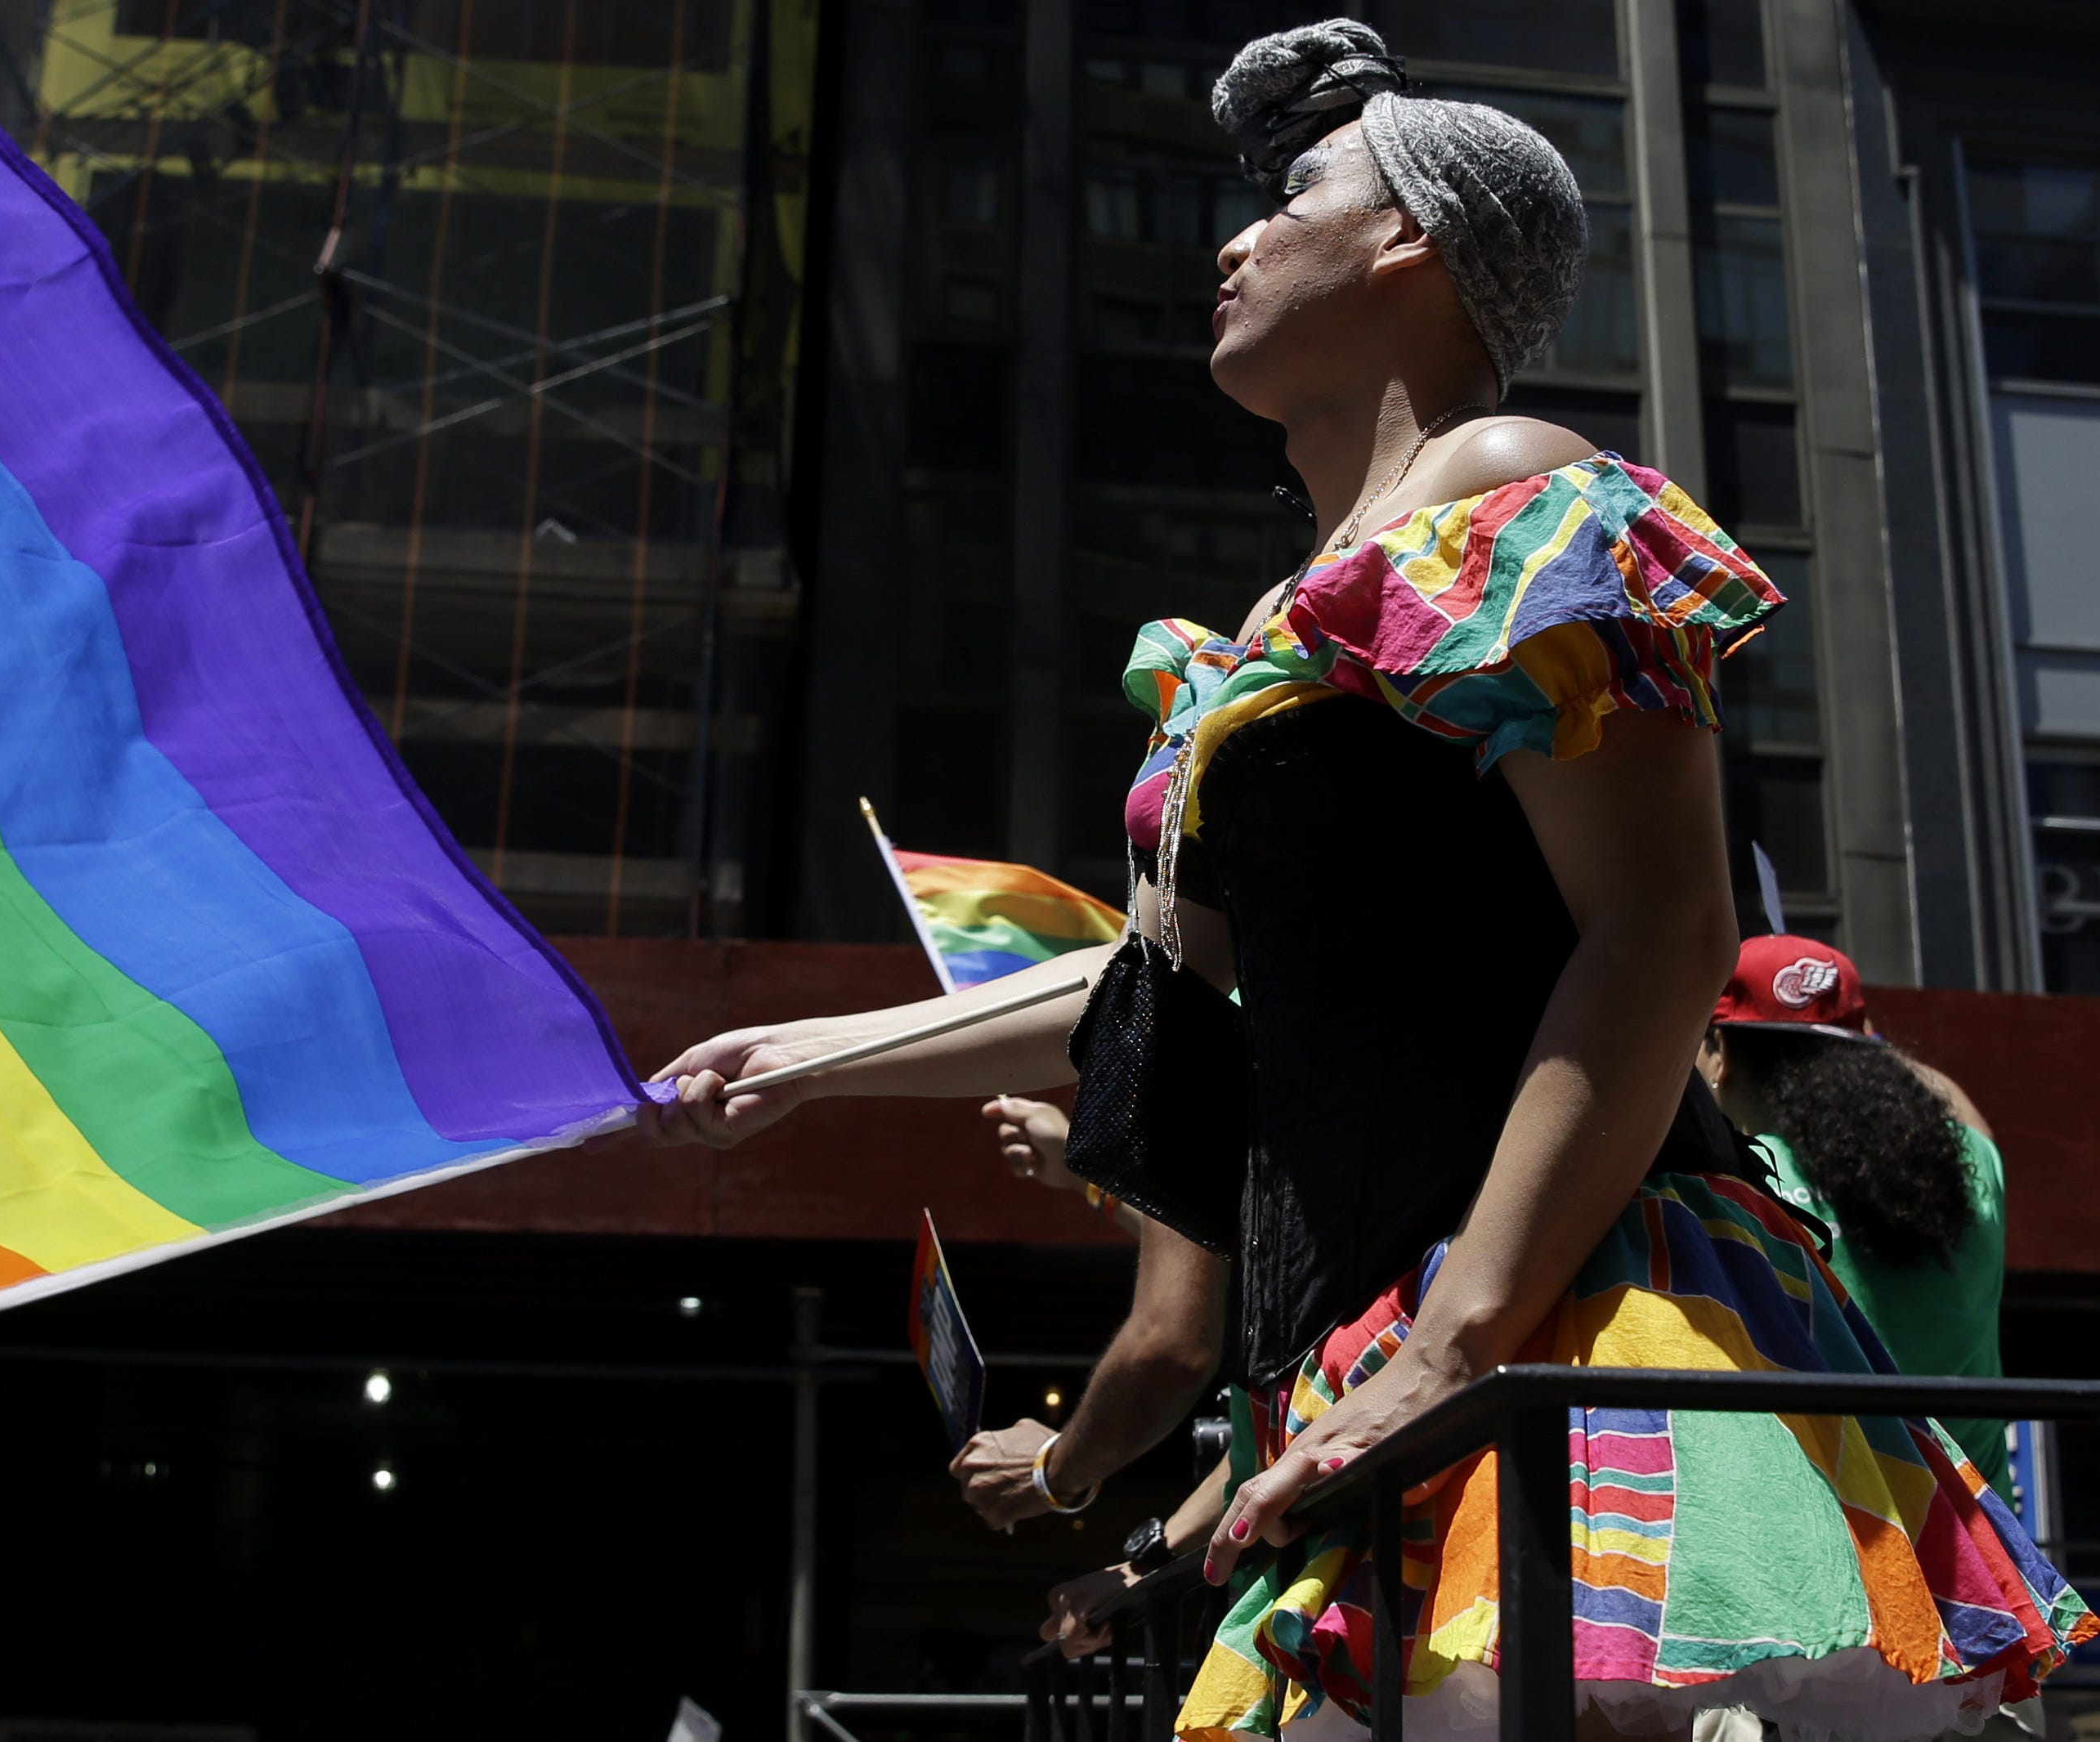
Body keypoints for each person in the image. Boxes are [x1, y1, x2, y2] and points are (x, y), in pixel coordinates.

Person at [638, 18, 2091, 1737]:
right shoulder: (1249, 644)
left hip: (1579, 1324)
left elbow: (1661, 922)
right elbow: (1154, 994)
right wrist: (806, 1060)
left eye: (1294, 196)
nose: (1230, 242)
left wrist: (1453, 1343)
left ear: (1409, 239)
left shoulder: (1503, 489)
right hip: (1379, 1354)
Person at [1697, 936, 2015, 1493]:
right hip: (1984, 1555)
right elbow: (1962, 1112)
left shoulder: (1742, 1191)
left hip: (1851, 1543)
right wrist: (1855, 1035)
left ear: (1720, 1051)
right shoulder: (1969, 1173)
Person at [951, 1096, 1230, 1530]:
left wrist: (1051, 1471)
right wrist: (1079, 1166)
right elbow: (1220, 1248)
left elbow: (1168, 1348)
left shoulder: (1208, 1064)